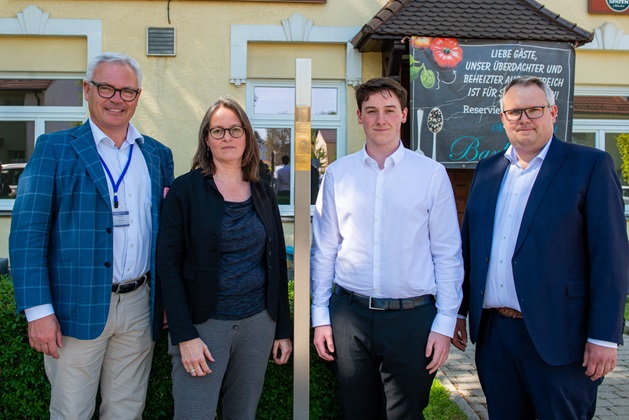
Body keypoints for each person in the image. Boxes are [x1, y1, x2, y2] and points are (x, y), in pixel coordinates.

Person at [9, 52, 174, 419]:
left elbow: (167, 237)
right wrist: (38, 312)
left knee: (127, 411)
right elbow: (27, 235)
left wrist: (166, 300)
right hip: (74, 309)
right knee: (71, 413)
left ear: (138, 96)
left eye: (127, 91)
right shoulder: (54, 149)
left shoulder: (157, 156)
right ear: (87, 90)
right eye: (106, 88)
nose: (116, 99)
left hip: (139, 305)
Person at [455, 76, 629, 419]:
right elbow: (471, 247)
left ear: (552, 112)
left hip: (562, 339)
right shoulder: (488, 169)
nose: (523, 119)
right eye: (514, 112)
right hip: (495, 337)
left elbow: (611, 256)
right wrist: (459, 311)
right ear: (502, 118)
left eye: (533, 110)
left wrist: (604, 337)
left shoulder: (589, 166)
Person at [311, 77, 463, 419]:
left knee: (405, 415)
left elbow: (447, 254)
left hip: (412, 319)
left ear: (404, 114)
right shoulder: (338, 174)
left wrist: (444, 322)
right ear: (359, 116)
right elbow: (324, 251)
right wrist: (320, 317)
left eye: (390, 110)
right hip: (350, 317)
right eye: (372, 111)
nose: (381, 119)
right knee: (356, 413)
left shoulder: (431, 175)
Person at [156, 97, 293, 419]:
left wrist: (282, 328)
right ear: (206, 138)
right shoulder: (185, 190)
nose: (227, 138)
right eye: (217, 131)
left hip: (258, 324)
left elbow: (274, 264)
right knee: (194, 414)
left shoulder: (262, 189)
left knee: (242, 414)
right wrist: (184, 335)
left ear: (247, 136)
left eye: (234, 129)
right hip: (204, 326)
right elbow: (168, 265)